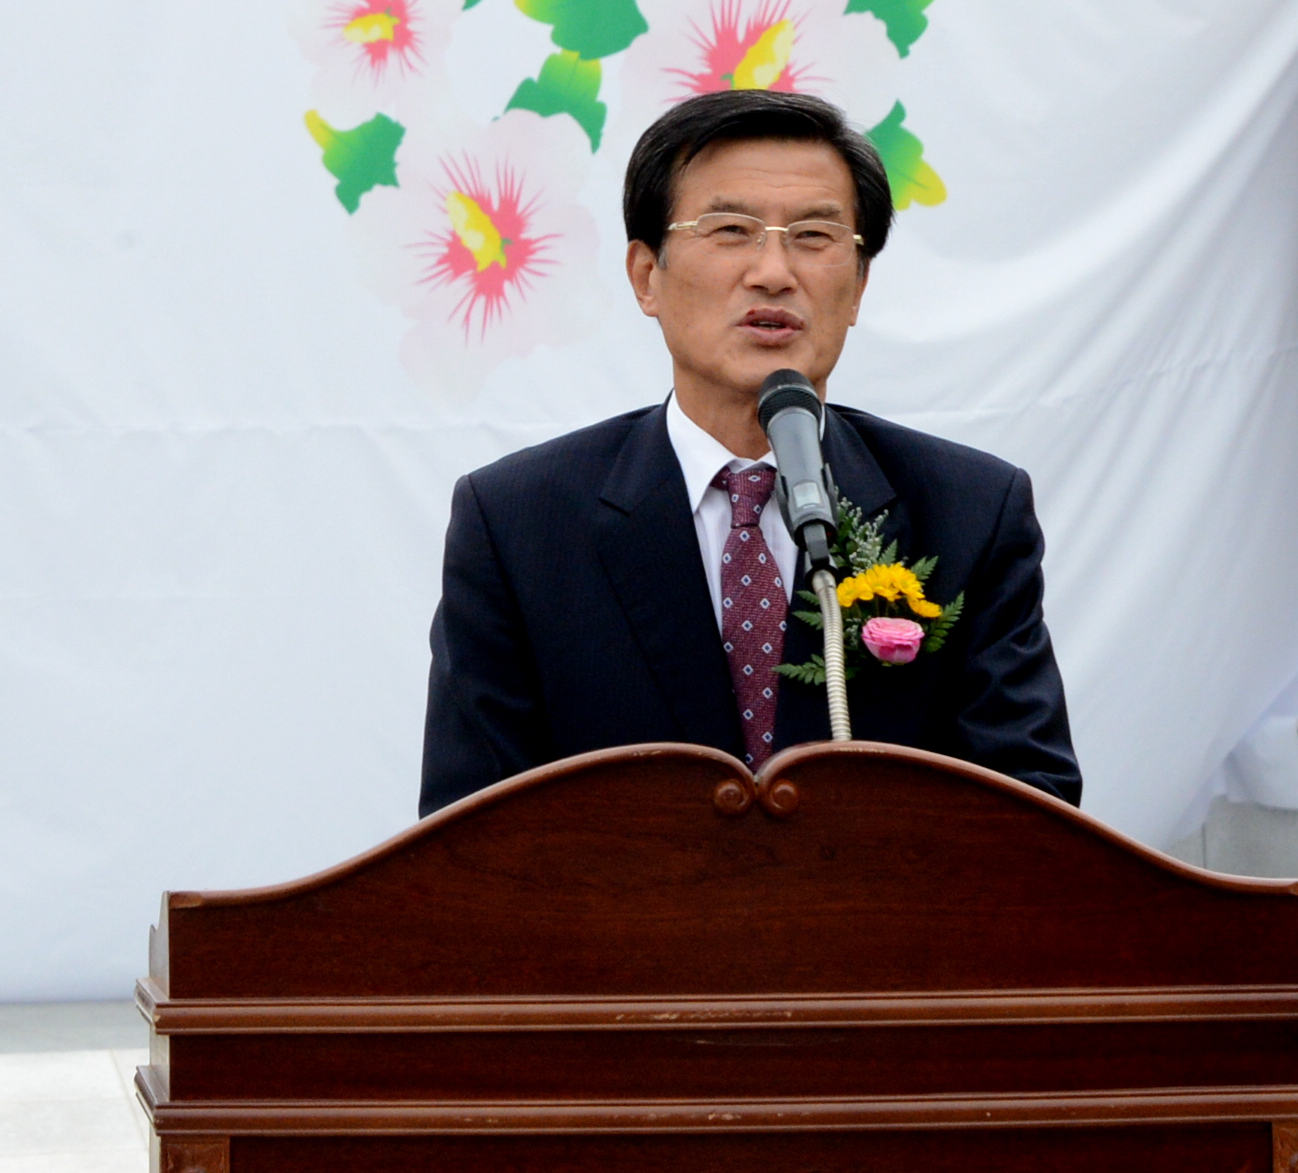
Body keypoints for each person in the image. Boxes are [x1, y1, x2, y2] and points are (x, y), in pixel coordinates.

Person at [417, 88, 1080, 815]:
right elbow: (468, 836)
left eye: (815, 235)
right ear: (646, 276)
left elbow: (1035, 819)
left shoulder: (970, 513)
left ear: (858, 287)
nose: (773, 272)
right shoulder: (517, 523)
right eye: (731, 230)